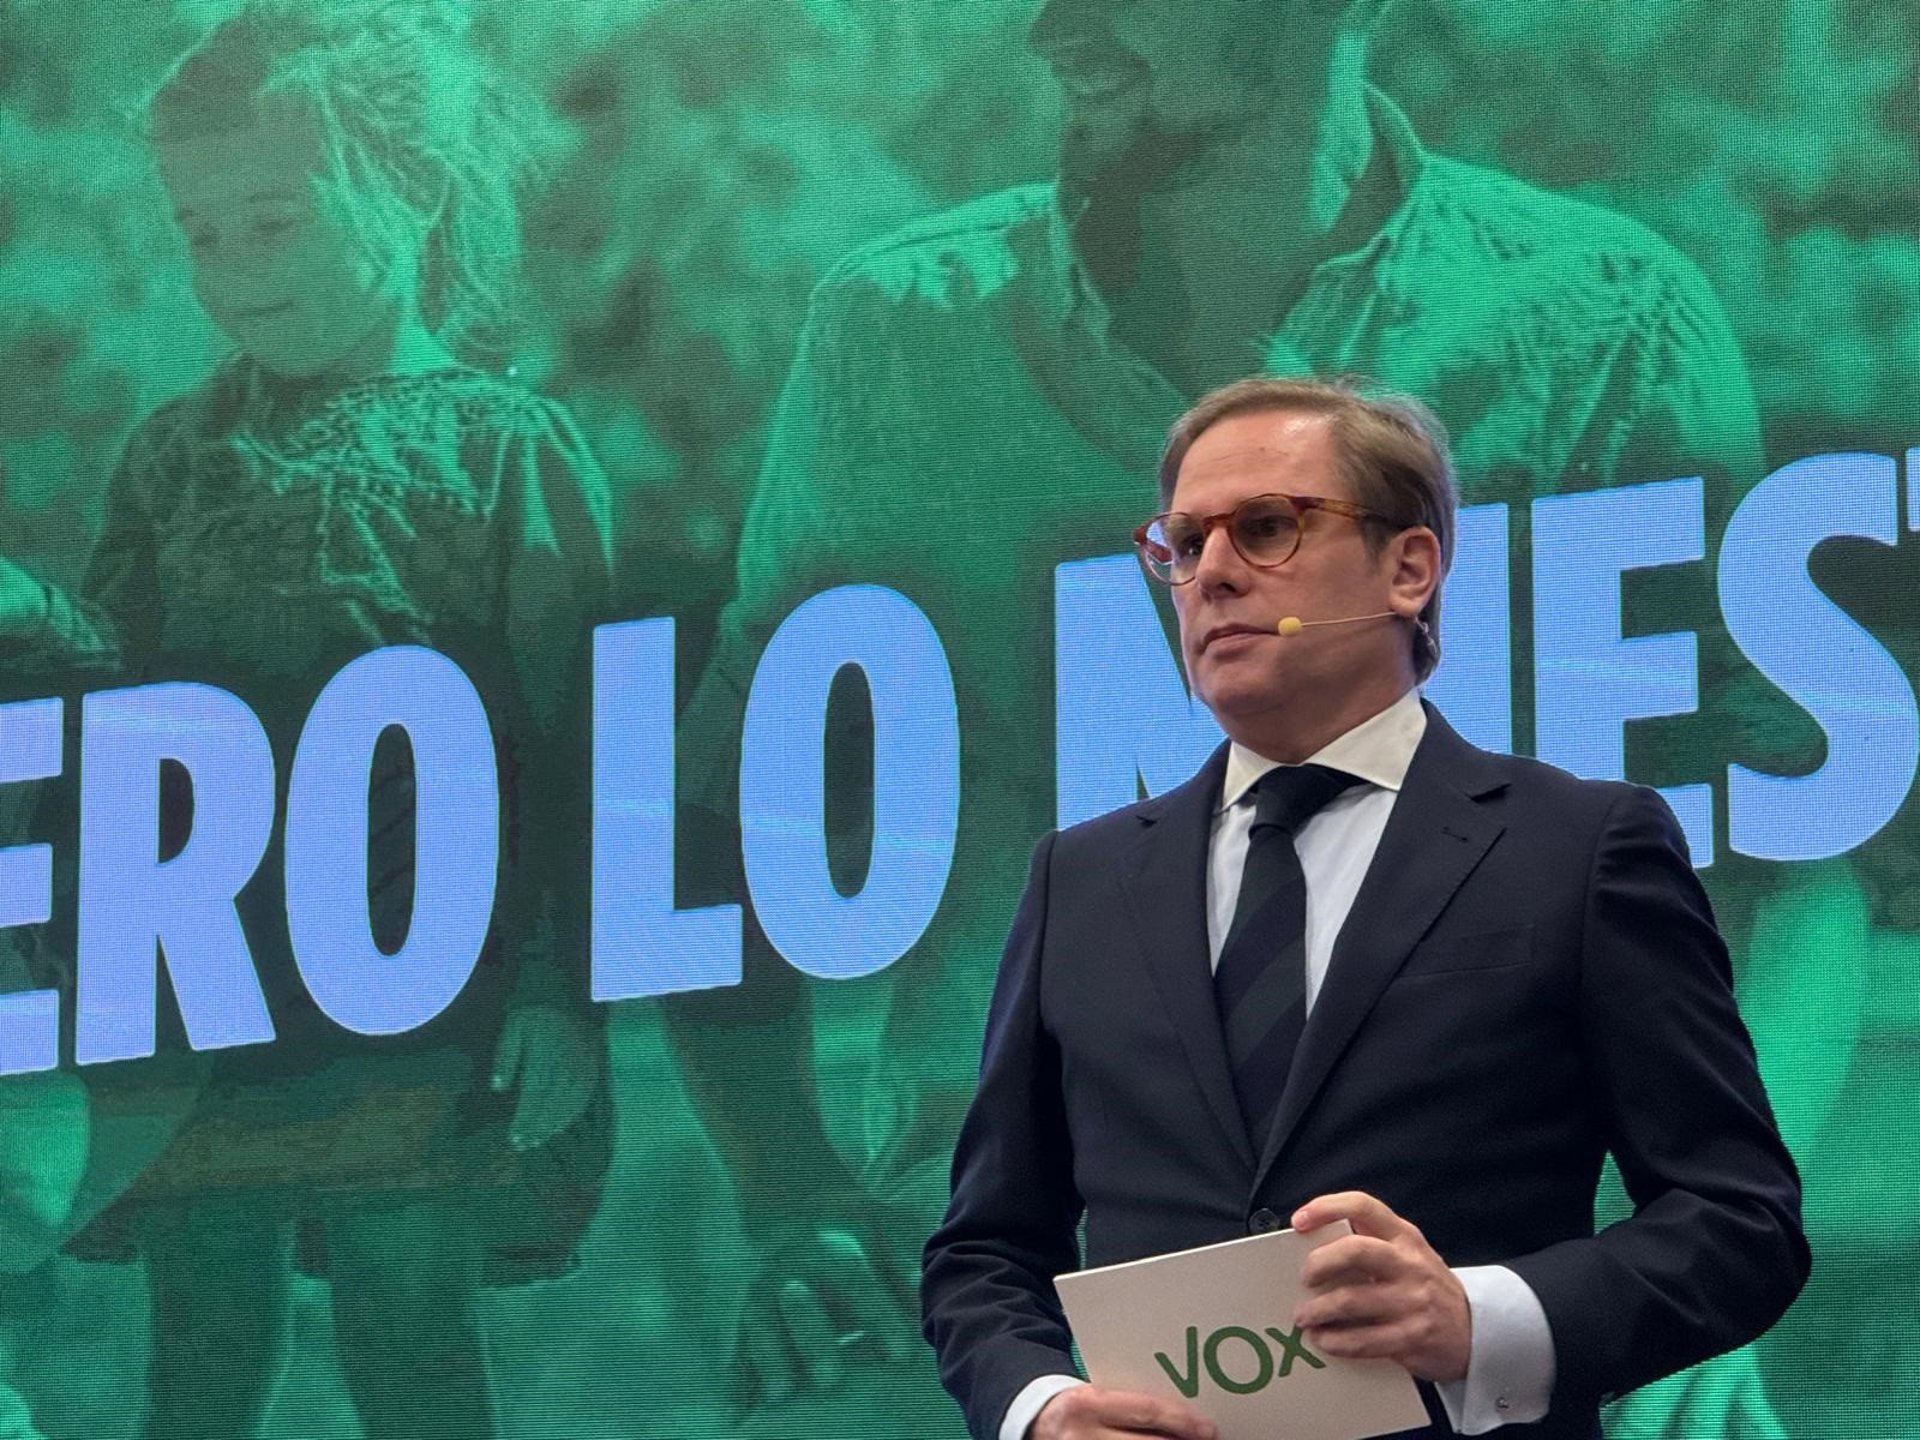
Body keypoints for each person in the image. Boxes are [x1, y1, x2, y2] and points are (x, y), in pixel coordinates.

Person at [664, 0, 1764, 1420]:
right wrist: (788, 1197)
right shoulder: (892, 337)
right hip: (1026, 1339)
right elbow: (712, 829)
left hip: (1503, 1320)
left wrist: (1695, 1295)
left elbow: (1789, 857)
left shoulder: (1605, 320)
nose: (1058, 28)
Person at [919, 376, 1808, 1440]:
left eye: (1265, 528)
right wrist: (1041, 1407)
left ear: (1409, 567)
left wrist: (1481, 1322)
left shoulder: (1579, 849)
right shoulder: (1081, 880)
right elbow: (984, 1251)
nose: (1211, 573)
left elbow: (1739, 1220)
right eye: (1184, 544)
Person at [0, 5, 614, 1435]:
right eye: (200, 231)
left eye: (272, 222)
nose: (231, 266)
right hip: (208, 989)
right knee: (203, 1340)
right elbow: (114, 710)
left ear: (415, 191)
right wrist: (28, 617)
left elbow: (584, 746)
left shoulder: (501, 447)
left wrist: (559, 987)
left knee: (409, 1325)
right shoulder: (172, 456)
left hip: (421, 982)